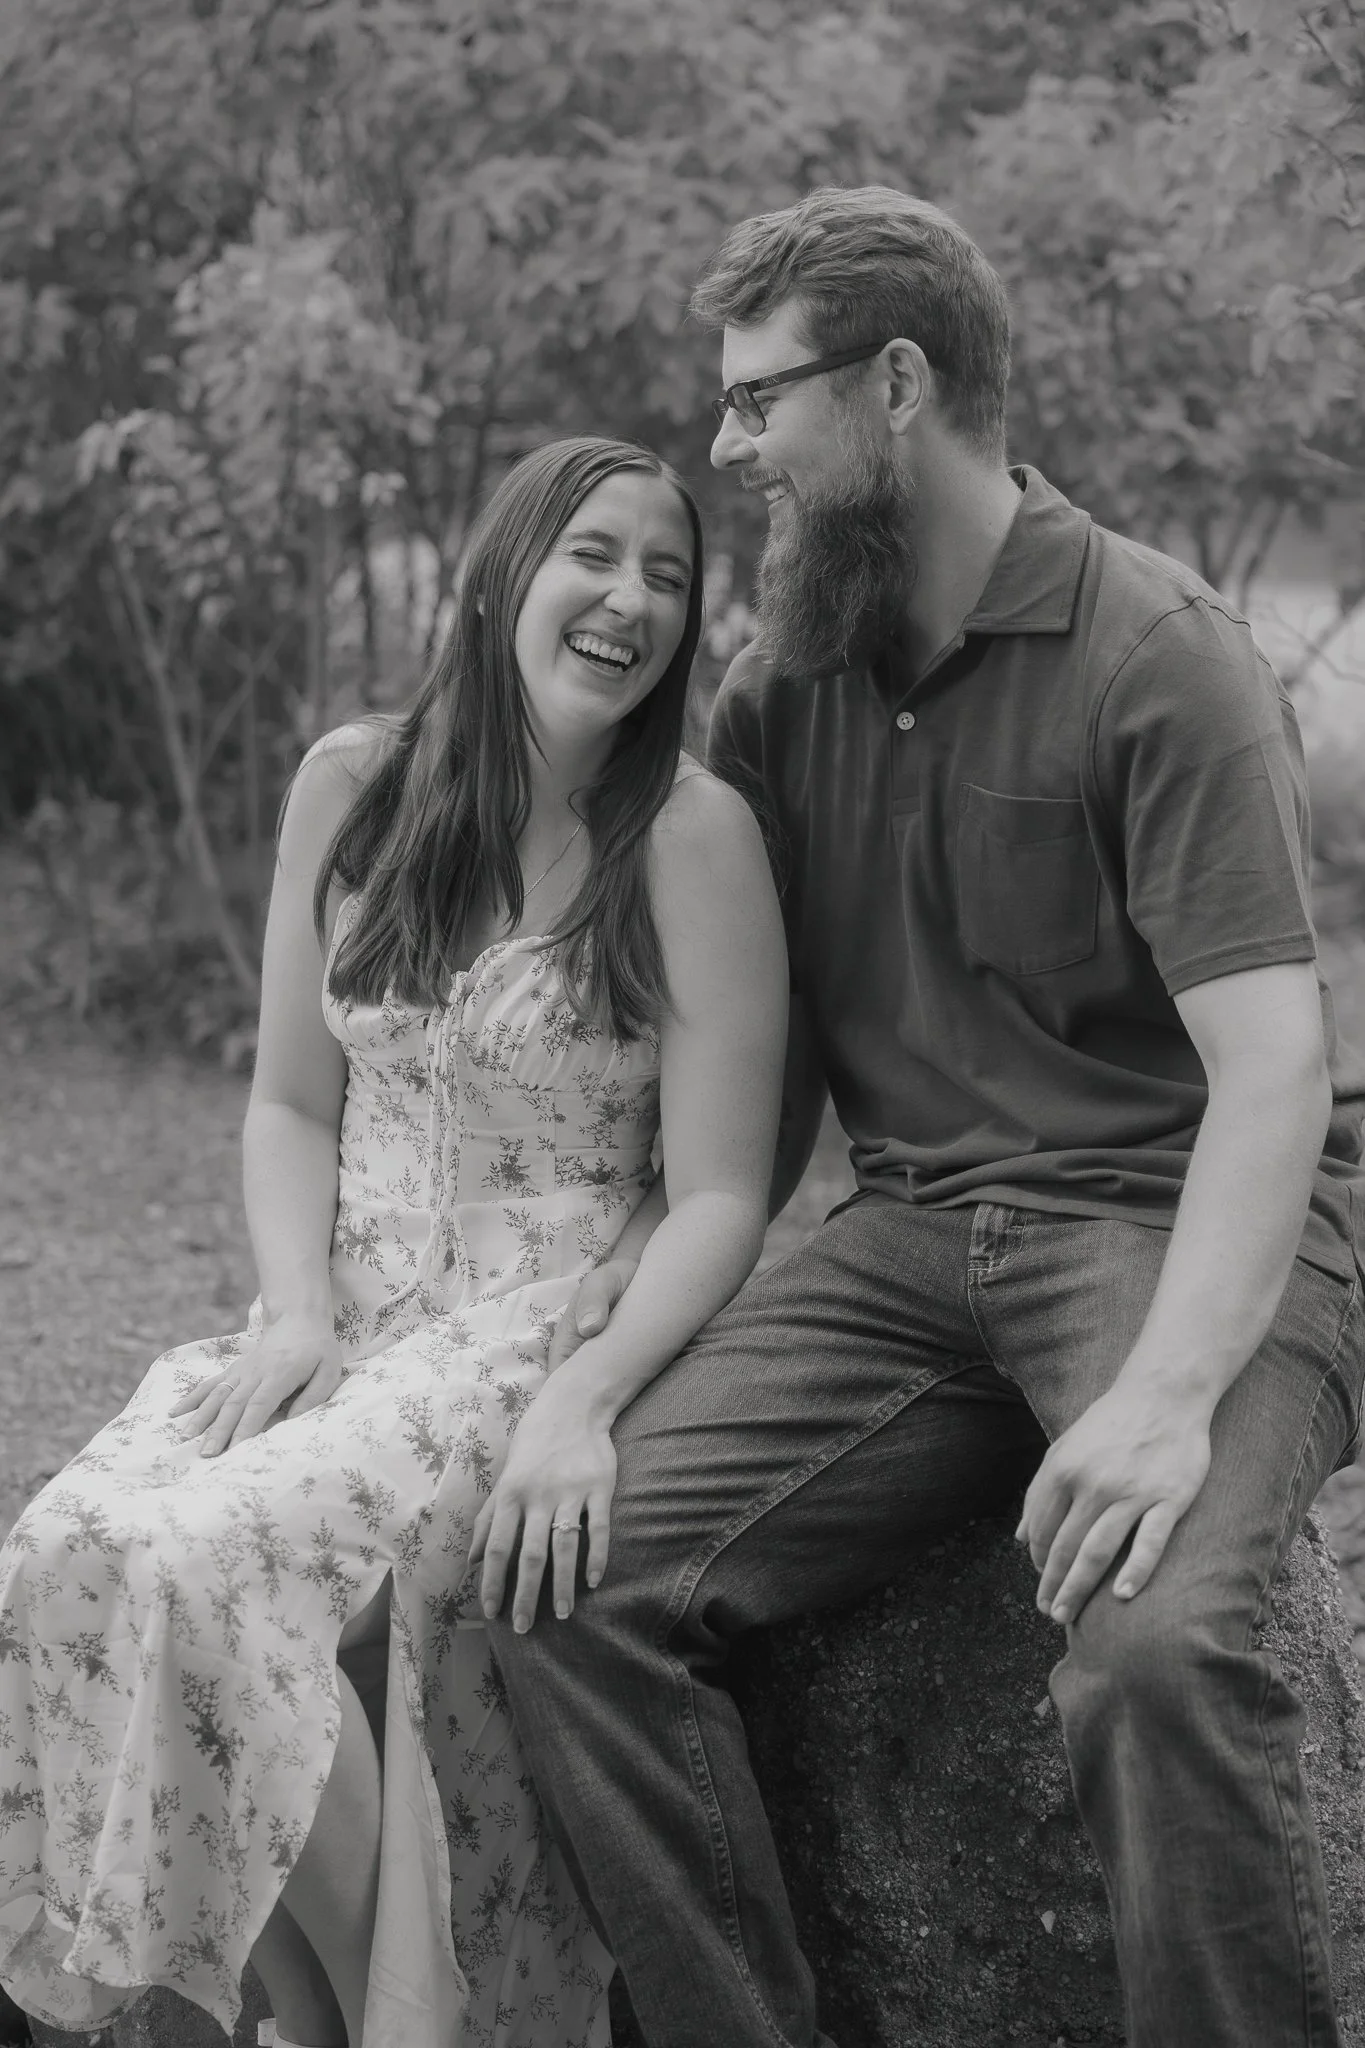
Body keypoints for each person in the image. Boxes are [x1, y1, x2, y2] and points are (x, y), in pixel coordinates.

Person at [485, 191, 1365, 2048]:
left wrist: (1166, 1396)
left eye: (758, 403)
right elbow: (753, 1094)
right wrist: (599, 1353)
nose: (727, 451)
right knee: (568, 1584)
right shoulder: (783, 684)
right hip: (905, 1258)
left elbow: (1274, 1068)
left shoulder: (1161, 656)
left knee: (1160, 1647)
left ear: (896, 384)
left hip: (1179, 1219)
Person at [0, 436, 787, 2048]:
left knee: (202, 1570)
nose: (629, 599)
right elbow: (291, 1102)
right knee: (70, 1550)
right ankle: (303, 2014)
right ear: (506, 568)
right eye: (594, 553)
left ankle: (402, 2031)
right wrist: (292, 1312)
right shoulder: (355, 781)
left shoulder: (691, 837)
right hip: (338, 1313)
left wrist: (588, 1395)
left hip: (527, 1335)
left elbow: (721, 1193)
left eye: (667, 574)